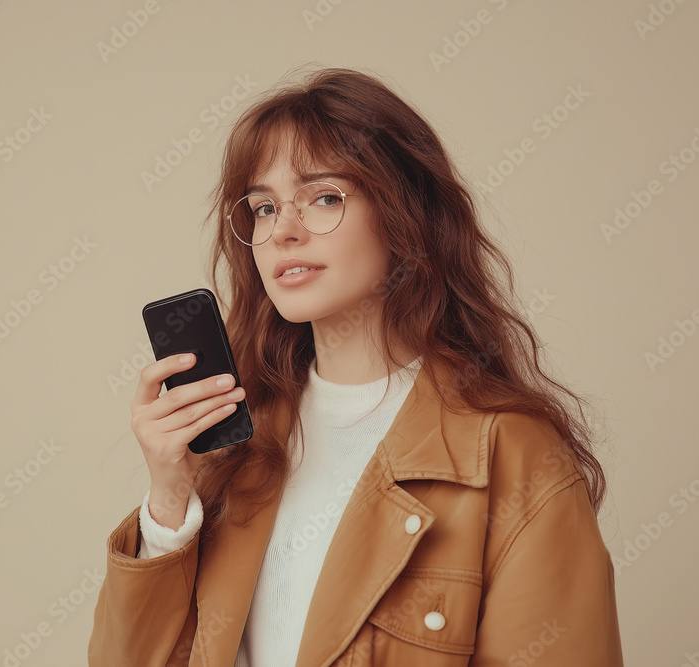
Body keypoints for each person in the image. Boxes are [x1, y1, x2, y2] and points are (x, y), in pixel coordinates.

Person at [88, 66, 623, 666]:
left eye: (323, 197)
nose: (284, 231)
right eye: (263, 209)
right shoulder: (237, 444)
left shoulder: (511, 453)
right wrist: (168, 502)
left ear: (403, 215)